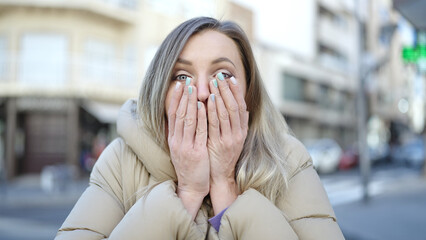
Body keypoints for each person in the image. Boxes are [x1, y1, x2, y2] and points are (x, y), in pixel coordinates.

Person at [56, 17, 344, 239]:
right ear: (160, 91)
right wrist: (188, 194)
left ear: (249, 95)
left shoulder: (288, 160)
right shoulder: (121, 161)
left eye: (222, 75)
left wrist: (225, 187)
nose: (204, 92)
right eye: (182, 76)